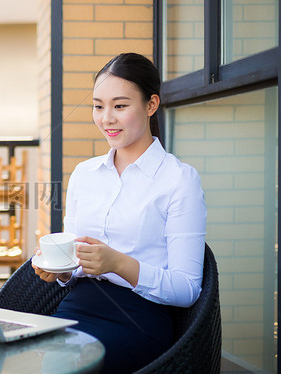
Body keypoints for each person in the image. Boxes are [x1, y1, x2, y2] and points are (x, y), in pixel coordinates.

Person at [32, 53, 206, 373]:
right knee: (23, 359)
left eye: (120, 106)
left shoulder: (179, 180)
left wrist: (118, 263)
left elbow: (187, 289)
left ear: (151, 105)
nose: (106, 118)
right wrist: (57, 269)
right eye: (99, 106)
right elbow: (73, 264)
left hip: (138, 320)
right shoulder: (84, 174)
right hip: (74, 308)